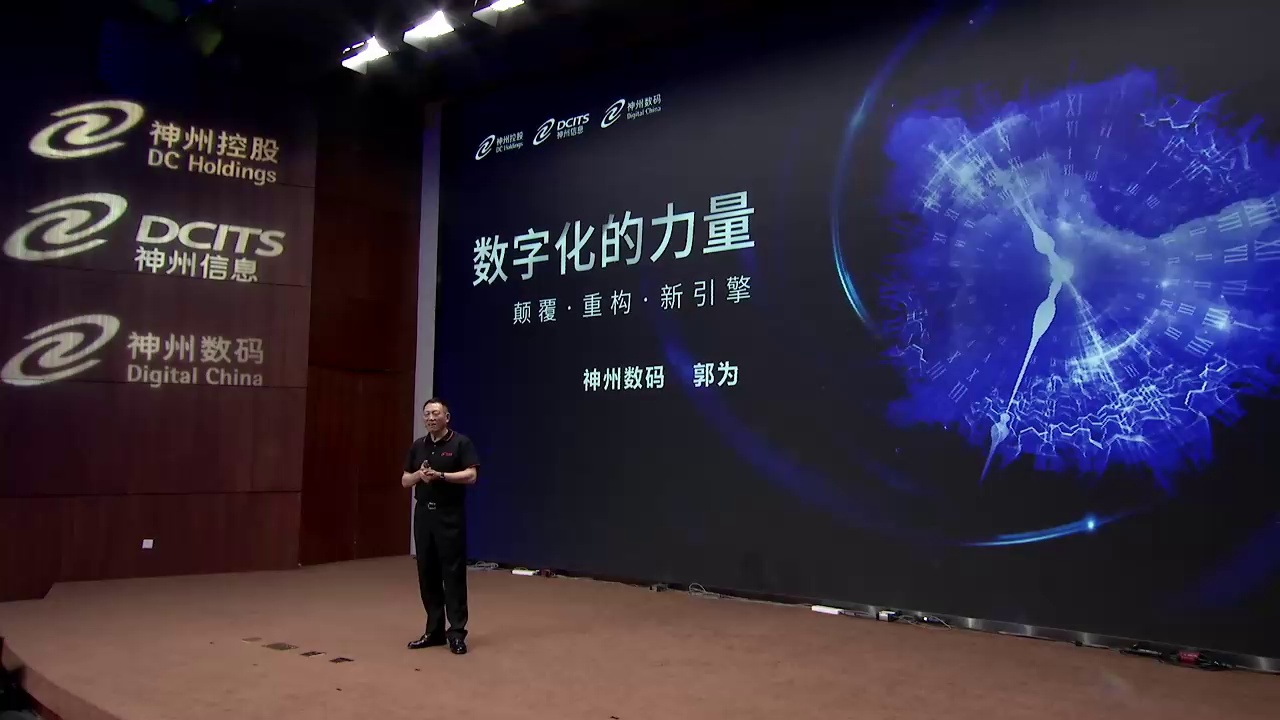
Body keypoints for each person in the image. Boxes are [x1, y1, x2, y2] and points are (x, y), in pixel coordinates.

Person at [401, 398, 480, 655]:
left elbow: (471, 475)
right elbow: (405, 480)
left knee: (452, 574)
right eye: (427, 414)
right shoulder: (418, 446)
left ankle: (456, 633)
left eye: (436, 413)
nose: (431, 418)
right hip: (424, 515)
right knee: (427, 573)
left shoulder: (460, 443)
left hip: (449, 515)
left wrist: (441, 476)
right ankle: (434, 631)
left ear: (447, 417)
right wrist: (419, 475)